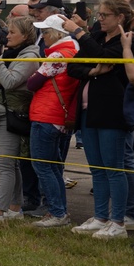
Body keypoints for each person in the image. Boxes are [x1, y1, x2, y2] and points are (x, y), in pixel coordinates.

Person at [62, 0, 134, 239]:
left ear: (120, 18)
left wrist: (79, 33)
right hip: (89, 111)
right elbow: (73, 67)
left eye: (105, 15)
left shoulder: (126, 41)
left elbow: (106, 56)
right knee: (97, 169)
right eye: (100, 15)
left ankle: (118, 222)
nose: (100, 18)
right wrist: (92, 70)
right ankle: (100, 217)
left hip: (113, 113)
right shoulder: (95, 38)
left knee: (114, 168)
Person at [0, 16, 39, 222]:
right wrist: (2, 69)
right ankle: (13, 207)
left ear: (25, 35)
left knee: (6, 165)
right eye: (8, 31)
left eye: (12, 32)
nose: (7, 36)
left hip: (12, 114)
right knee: (10, 164)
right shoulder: (9, 54)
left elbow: (10, 82)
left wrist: (0, 64)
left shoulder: (30, 56)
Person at [26, 14, 79, 228]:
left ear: (56, 34)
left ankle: (57, 212)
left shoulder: (57, 54)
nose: (42, 36)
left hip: (47, 115)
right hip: (59, 116)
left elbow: (33, 82)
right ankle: (59, 211)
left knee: (43, 166)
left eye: (45, 32)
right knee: (54, 167)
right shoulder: (73, 51)